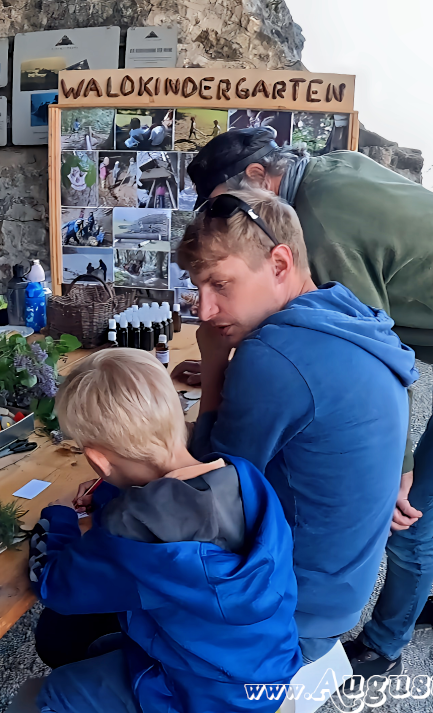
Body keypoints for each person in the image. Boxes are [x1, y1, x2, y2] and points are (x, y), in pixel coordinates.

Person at [184, 128, 433, 677]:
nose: (229, 221)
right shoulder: (330, 171)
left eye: (230, 204)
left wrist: (398, 468)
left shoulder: (321, 229)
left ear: (261, 179)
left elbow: (373, 341)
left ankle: (386, 644)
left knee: (411, 510)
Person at [176, 189, 417, 668]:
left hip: (290, 612)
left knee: (70, 632)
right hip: (342, 590)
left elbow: (209, 486)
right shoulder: (343, 310)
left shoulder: (273, 357)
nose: (204, 311)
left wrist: (216, 361)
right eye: (198, 288)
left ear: (280, 264)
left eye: (220, 285)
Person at [30, 348, 302, 713]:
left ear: (98, 461)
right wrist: (110, 491)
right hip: (267, 668)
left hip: (201, 699)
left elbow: (55, 587)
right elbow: (171, 495)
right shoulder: (244, 476)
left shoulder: (129, 530)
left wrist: (59, 517)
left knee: (58, 691)